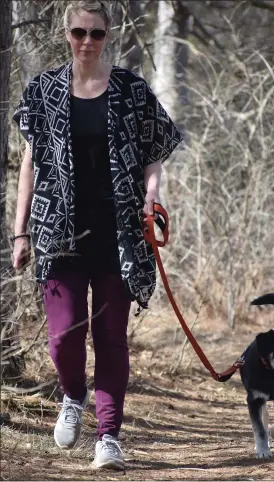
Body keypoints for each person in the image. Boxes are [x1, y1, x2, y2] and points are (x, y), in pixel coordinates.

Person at [12, 0, 182, 470]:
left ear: (109, 35)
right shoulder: (44, 90)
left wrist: (152, 196)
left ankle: (108, 436)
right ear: (66, 35)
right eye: (80, 32)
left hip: (120, 232)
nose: (88, 41)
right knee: (65, 336)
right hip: (57, 229)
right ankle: (72, 396)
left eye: (97, 33)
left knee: (110, 337)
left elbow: (155, 150)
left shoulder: (130, 89)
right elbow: (30, 163)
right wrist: (19, 232)